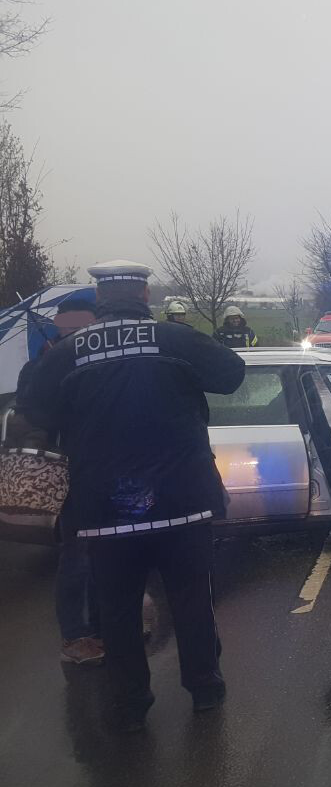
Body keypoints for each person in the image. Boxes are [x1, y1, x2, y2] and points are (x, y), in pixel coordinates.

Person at [17, 260, 246, 730]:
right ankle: (205, 688)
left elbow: (34, 411)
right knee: (192, 600)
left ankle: (129, 704)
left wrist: (52, 367)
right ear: (144, 295)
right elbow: (232, 374)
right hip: (182, 502)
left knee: (117, 610)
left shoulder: (67, 353)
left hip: (105, 509)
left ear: (101, 298)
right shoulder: (175, 340)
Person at [11, 298, 102, 665]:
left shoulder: (96, 360)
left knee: (107, 551)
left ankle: (103, 625)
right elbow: (29, 417)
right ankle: (75, 637)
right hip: (66, 474)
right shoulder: (39, 367)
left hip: (103, 470)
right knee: (77, 555)